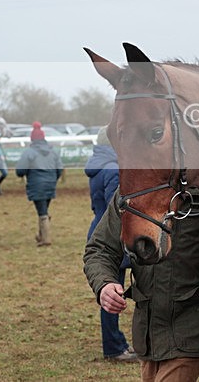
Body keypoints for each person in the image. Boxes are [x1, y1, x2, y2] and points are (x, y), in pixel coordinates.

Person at [83, 186, 199, 381]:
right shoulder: (131, 192)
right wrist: (104, 284)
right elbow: (100, 248)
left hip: (192, 329)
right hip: (148, 334)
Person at [84, 128, 136, 362]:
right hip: (114, 236)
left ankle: (114, 343)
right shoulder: (114, 168)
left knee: (110, 291)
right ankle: (114, 346)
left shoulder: (98, 164)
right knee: (113, 293)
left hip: (97, 226)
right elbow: (117, 208)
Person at [15, 122, 63, 246]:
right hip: (50, 183)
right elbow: (59, 169)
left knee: (42, 211)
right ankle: (41, 235)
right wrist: (52, 179)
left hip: (37, 184)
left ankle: (46, 239)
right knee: (44, 209)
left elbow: (20, 171)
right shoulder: (53, 151)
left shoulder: (29, 152)